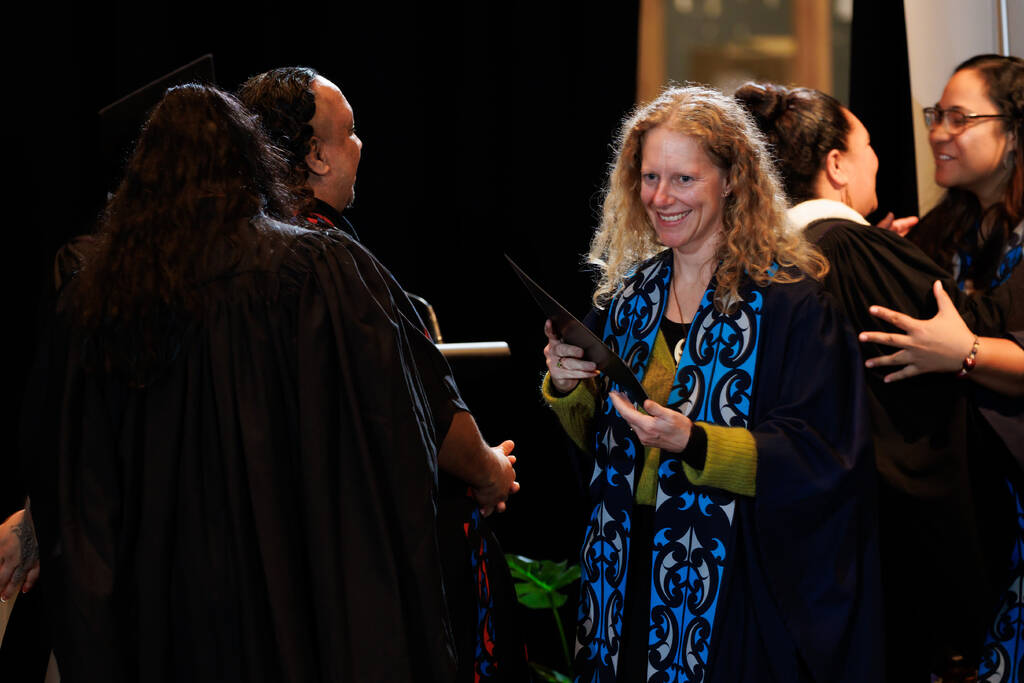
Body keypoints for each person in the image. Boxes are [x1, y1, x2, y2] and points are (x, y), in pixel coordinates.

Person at [19, 83, 517, 682]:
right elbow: (400, 436)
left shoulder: (95, 301)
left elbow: (71, 478)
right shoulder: (317, 272)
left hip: (160, 621)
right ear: (249, 160)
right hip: (289, 605)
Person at [540, 85, 880, 682]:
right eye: (649, 178)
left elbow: (824, 456)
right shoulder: (628, 299)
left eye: (684, 179)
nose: (661, 198)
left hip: (732, 586)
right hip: (623, 573)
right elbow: (594, 439)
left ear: (731, 181)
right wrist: (568, 385)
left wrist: (695, 443)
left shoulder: (790, 304)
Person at [238, 66, 529, 682]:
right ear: (315, 156)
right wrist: (489, 471)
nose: (360, 146)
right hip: (364, 565)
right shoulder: (333, 263)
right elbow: (420, 404)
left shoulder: (228, 262)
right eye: (348, 133)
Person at [736, 79, 1023, 681]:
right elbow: (985, 326)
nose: (880, 157)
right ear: (836, 164)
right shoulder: (852, 249)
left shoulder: (777, 257)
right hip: (891, 555)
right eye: (866, 144)